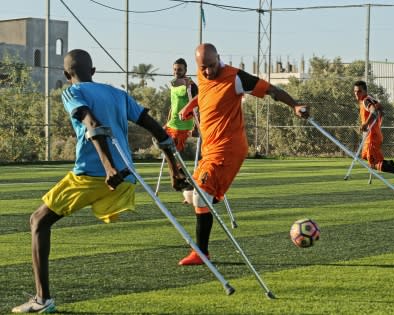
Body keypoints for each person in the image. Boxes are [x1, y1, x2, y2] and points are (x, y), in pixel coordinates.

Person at [12, 49, 189, 313]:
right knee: (42, 219)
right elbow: (157, 129)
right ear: (93, 72)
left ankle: (42, 299)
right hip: (126, 176)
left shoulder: (72, 92)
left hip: (95, 176)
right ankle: (41, 298)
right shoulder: (118, 94)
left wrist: (107, 167)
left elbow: (91, 122)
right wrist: (175, 169)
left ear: (65, 74)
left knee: (38, 220)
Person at [176, 43, 309, 265]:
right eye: (203, 68)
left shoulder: (235, 77)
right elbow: (207, 95)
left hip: (228, 148)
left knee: (200, 195)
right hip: (209, 148)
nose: (207, 72)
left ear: (218, 58)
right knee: (191, 196)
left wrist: (294, 105)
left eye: (211, 66)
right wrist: (191, 105)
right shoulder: (203, 75)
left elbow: (271, 90)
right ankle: (212, 197)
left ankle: (201, 253)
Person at [353, 80, 394, 188]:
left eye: (359, 91)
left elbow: (373, 111)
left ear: (365, 91)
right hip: (374, 135)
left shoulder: (365, 101)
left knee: (373, 164)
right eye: (355, 91)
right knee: (364, 156)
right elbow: (381, 110)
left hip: (372, 136)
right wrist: (378, 119)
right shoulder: (370, 98)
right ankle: (388, 164)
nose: (356, 94)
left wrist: (365, 124)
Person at [164, 58, 198, 152]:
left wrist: (196, 128)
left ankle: (178, 166)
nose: (176, 72)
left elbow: (197, 107)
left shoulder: (191, 86)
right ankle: (176, 165)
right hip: (173, 123)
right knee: (158, 138)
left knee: (174, 152)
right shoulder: (174, 84)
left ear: (185, 71)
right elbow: (173, 105)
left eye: (179, 70)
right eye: (175, 69)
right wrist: (167, 123)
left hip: (182, 125)